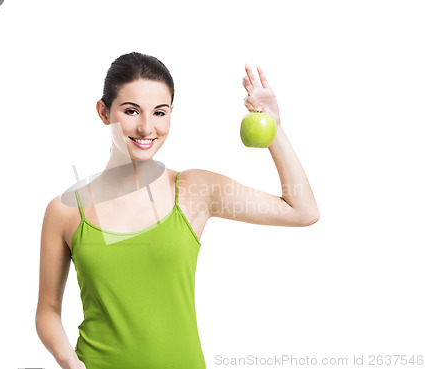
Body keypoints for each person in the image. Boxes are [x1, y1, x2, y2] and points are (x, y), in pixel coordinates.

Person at [35, 51, 320, 369]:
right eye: (131, 111)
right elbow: (47, 310)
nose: (146, 128)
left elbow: (302, 210)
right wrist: (69, 362)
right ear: (104, 111)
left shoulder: (195, 191)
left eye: (159, 112)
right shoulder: (65, 211)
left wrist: (273, 128)